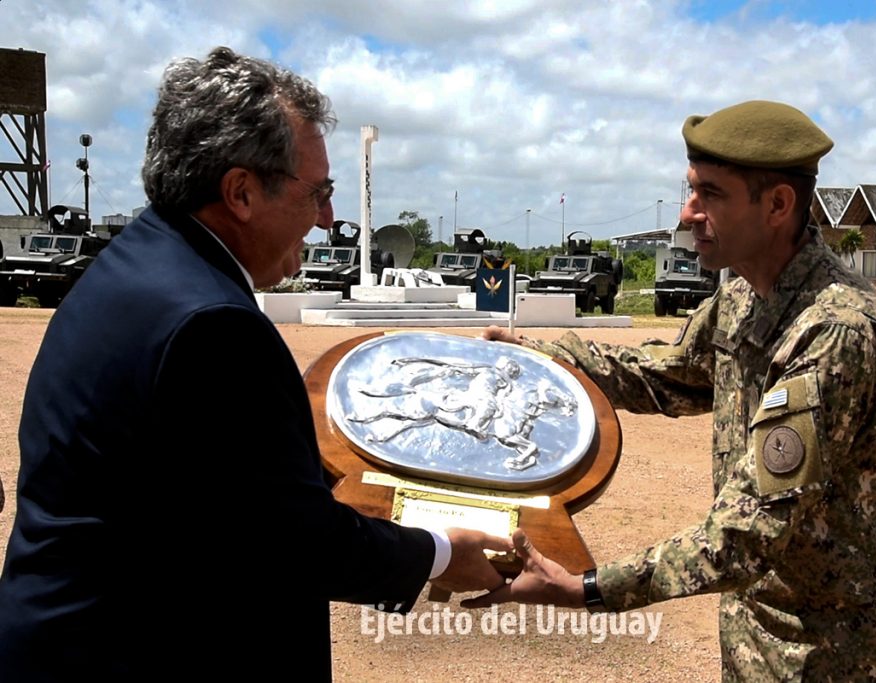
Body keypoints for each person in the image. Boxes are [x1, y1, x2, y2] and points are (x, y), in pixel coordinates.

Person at [0, 47, 510, 682]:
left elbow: (227, 487)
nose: (327, 219)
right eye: (318, 193)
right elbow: (290, 539)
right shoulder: (211, 324)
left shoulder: (137, 268)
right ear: (241, 192)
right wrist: (440, 553)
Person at [476, 100, 876, 681]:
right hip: (759, 640)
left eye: (710, 194)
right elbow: (667, 375)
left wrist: (586, 587)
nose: (687, 214)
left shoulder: (836, 333)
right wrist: (541, 358)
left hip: (844, 655)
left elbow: (747, 531)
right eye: (690, 191)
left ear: (777, 205)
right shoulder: (743, 297)